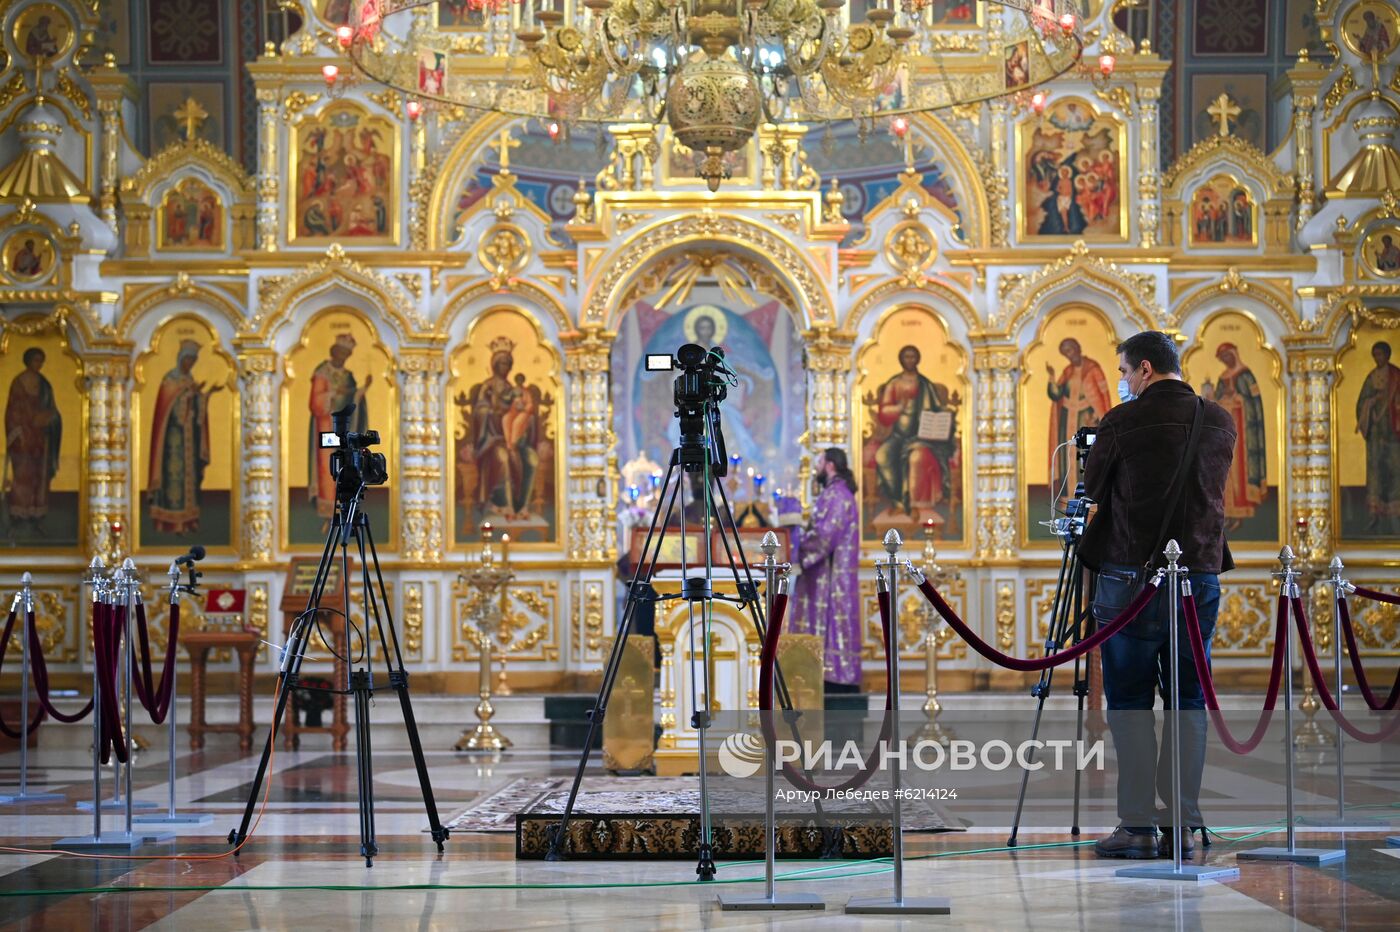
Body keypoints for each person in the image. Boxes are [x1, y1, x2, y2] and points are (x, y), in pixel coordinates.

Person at [1079, 331, 1237, 861]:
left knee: (1129, 702)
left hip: (1130, 581)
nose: (1123, 381)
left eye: (1124, 372)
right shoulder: (1220, 420)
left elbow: (1091, 491)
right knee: (1188, 700)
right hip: (1199, 580)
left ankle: (1138, 826)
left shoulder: (1121, 421)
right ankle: (1182, 826)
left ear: (1145, 368)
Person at [790, 449, 862, 693]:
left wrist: (796, 545)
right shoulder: (836, 493)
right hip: (827, 574)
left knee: (831, 622)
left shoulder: (837, 495)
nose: (816, 468)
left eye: (819, 462)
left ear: (830, 465)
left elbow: (824, 536)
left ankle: (834, 674)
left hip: (831, 578)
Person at [869, 345, 958, 520]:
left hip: (923, 437)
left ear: (917, 359)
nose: (909, 360)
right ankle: (899, 503)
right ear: (901, 360)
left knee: (916, 458)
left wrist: (944, 414)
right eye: (906, 357)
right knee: (882, 456)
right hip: (898, 437)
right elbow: (883, 413)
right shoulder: (894, 384)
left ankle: (915, 505)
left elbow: (936, 409)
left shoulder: (925, 384)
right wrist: (899, 407)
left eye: (912, 357)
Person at [148, 340, 218, 534]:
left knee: (190, 478)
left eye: (193, 361)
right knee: (173, 479)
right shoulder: (169, 380)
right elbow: (168, 410)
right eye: (188, 360)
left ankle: (189, 519)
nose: (190, 364)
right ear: (181, 359)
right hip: (172, 441)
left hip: (189, 439)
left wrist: (205, 395)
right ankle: (169, 522)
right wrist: (188, 396)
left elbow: (194, 404)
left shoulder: (189, 379)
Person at [1200, 343, 1266, 529]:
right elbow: (1219, 403)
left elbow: (1254, 404)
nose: (1226, 361)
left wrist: (1238, 399)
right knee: (1226, 470)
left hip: (1244, 433)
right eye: (1223, 359)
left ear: (1234, 355)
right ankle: (1227, 513)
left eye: (1228, 356)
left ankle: (1241, 511)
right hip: (1227, 433)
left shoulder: (1246, 376)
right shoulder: (1223, 378)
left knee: (1240, 472)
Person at [308, 333, 370, 519]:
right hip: (326, 427)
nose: (342, 358)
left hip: (345, 429)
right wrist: (334, 393)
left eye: (346, 355)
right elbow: (316, 402)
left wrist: (364, 388)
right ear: (334, 352)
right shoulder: (322, 372)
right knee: (328, 465)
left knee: (345, 463)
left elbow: (353, 396)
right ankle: (328, 510)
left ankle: (345, 508)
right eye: (340, 353)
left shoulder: (348, 376)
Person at [1047, 338, 1113, 503]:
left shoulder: (1093, 369)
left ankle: (1088, 495)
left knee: (1085, 457)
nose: (1069, 355)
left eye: (1070, 350)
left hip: (1086, 420)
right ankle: (1068, 494)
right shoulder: (1068, 371)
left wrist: (1099, 417)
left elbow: (1102, 397)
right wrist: (1052, 377)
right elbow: (1056, 394)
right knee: (1067, 455)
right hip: (1067, 419)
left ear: (1077, 348)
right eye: (1065, 353)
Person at [4, 348, 62, 530]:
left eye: (41, 361)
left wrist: (49, 418)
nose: (39, 364)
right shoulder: (18, 383)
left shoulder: (45, 385)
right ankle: (19, 512)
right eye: (36, 360)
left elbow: (53, 410)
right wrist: (23, 428)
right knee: (23, 473)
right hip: (22, 436)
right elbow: (13, 411)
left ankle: (37, 513)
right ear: (28, 361)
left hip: (41, 436)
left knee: (40, 474)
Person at [1356, 341, 1400, 534]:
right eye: (1375, 355)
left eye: (1380, 354)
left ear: (1387, 355)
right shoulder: (1371, 377)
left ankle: (1395, 512)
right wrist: (1370, 403)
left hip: (1394, 433)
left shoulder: (1396, 376)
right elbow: (1361, 403)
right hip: (1375, 434)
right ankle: (1375, 513)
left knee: (1395, 468)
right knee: (1375, 469)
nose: (1377, 358)